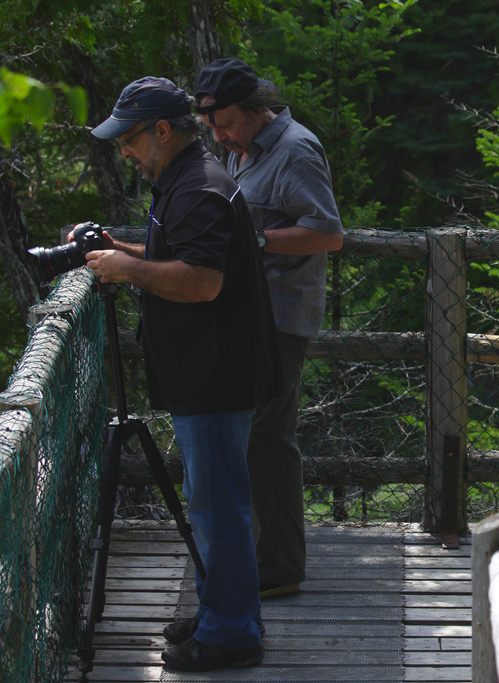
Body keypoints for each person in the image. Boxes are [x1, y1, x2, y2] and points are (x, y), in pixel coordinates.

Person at [86, 76, 280, 672]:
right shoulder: (190, 179)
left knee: (219, 508)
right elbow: (181, 255)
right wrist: (120, 249)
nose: (124, 151)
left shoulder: (196, 187)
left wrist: (125, 269)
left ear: (161, 131)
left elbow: (201, 280)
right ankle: (225, 611)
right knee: (216, 504)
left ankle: (231, 634)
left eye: (129, 139)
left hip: (216, 376)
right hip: (213, 371)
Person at [192, 58, 344, 598]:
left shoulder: (295, 149)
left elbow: (326, 233)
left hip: (280, 318)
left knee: (267, 442)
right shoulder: (245, 149)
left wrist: (255, 243)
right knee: (254, 440)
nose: (218, 134)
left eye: (226, 122)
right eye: (211, 125)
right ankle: (258, 563)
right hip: (254, 317)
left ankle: (275, 571)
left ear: (256, 109)